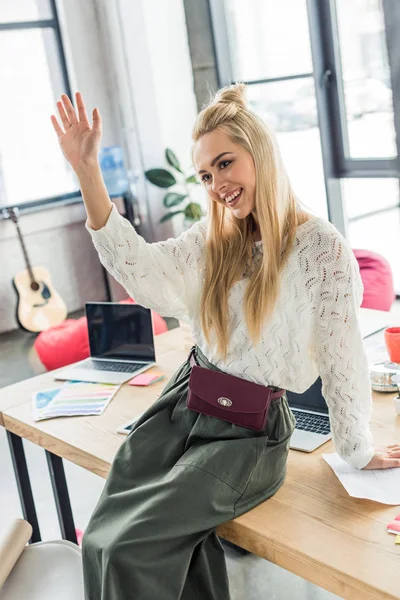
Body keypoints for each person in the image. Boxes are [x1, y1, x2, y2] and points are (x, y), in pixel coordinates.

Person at [51, 84, 400, 600]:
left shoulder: (321, 248)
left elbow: (341, 355)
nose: (216, 184)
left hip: (248, 436)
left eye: (225, 164)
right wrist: (88, 173)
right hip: (181, 406)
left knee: (131, 547)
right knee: (101, 539)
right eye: (206, 175)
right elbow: (146, 277)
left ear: (259, 152)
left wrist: (357, 447)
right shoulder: (211, 241)